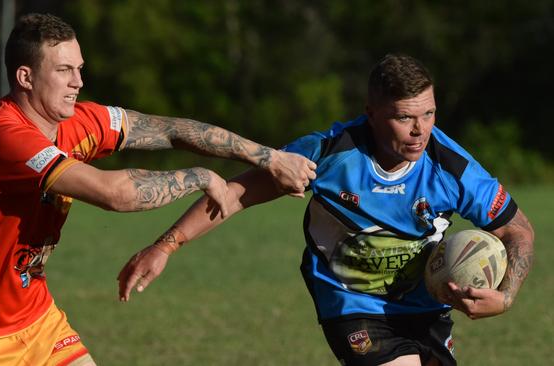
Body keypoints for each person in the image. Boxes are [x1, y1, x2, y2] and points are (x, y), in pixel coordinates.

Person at [0, 13, 317, 366]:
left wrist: (269, 158)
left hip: (32, 312)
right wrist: (201, 176)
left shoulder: (78, 121)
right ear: (25, 76)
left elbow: (172, 130)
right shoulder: (5, 137)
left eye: (80, 69)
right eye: (64, 71)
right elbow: (112, 193)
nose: (79, 82)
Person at [118, 54, 535, 366]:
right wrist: (166, 245)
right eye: (404, 117)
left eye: (429, 114)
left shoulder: (451, 167)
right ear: (371, 114)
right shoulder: (330, 156)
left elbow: (518, 230)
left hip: (427, 307)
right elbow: (234, 194)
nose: (419, 130)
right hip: (352, 304)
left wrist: (506, 296)